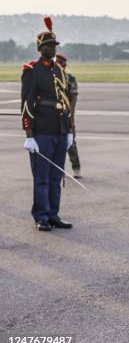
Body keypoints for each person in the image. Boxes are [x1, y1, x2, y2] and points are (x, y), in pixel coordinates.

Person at [21, 16, 74, 231]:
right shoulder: (32, 70)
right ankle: (41, 216)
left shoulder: (60, 71)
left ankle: (53, 214)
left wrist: (69, 130)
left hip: (60, 129)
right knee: (42, 177)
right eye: (48, 46)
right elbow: (27, 102)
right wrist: (29, 134)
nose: (52, 49)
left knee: (56, 176)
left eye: (54, 45)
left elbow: (66, 102)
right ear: (40, 48)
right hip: (41, 130)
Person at [56, 54, 82, 178]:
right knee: (56, 145)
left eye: (61, 63)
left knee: (71, 144)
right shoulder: (51, 78)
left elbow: (74, 99)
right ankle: (59, 169)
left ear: (65, 65)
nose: (59, 65)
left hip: (67, 115)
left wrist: (70, 117)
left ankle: (76, 168)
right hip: (53, 117)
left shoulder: (70, 79)